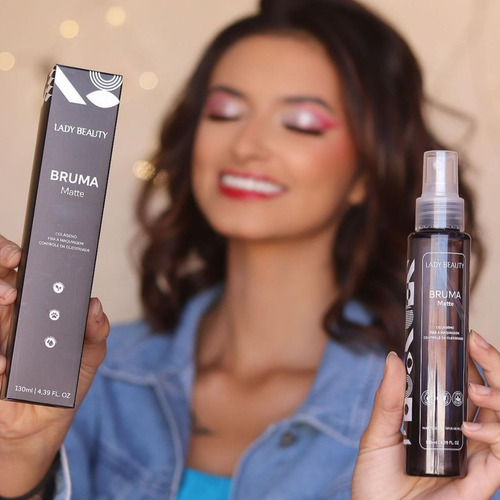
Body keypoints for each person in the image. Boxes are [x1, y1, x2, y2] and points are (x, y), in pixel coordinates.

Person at [0, 0, 499, 498]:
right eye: (225, 112)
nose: (246, 146)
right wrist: (19, 466)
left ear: (367, 171)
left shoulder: (439, 414)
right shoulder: (93, 371)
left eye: (301, 122)